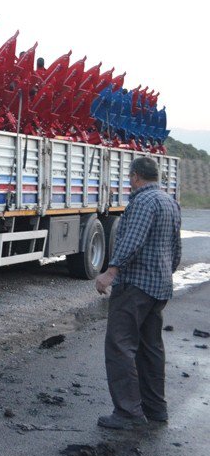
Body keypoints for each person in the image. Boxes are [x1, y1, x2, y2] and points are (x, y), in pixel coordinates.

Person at [94, 156, 182, 429]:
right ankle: (156, 409)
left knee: (120, 346)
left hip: (135, 287)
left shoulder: (142, 202)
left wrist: (110, 273)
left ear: (135, 177)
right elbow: (176, 248)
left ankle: (128, 413)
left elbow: (132, 240)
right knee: (150, 348)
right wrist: (165, 273)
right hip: (159, 287)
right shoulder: (170, 202)